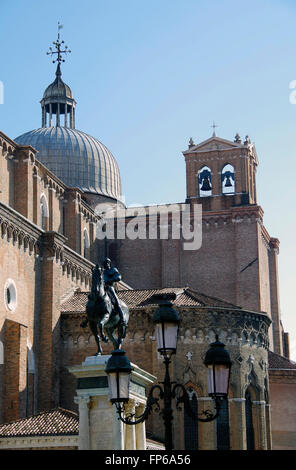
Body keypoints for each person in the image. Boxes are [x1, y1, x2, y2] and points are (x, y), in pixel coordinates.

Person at [103, 258, 126, 326]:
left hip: (110, 287)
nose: (106, 264)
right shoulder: (103, 272)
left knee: (116, 301)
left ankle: (122, 318)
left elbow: (118, 277)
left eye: (107, 263)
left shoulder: (113, 270)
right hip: (103, 288)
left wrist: (111, 279)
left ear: (109, 263)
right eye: (105, 263)